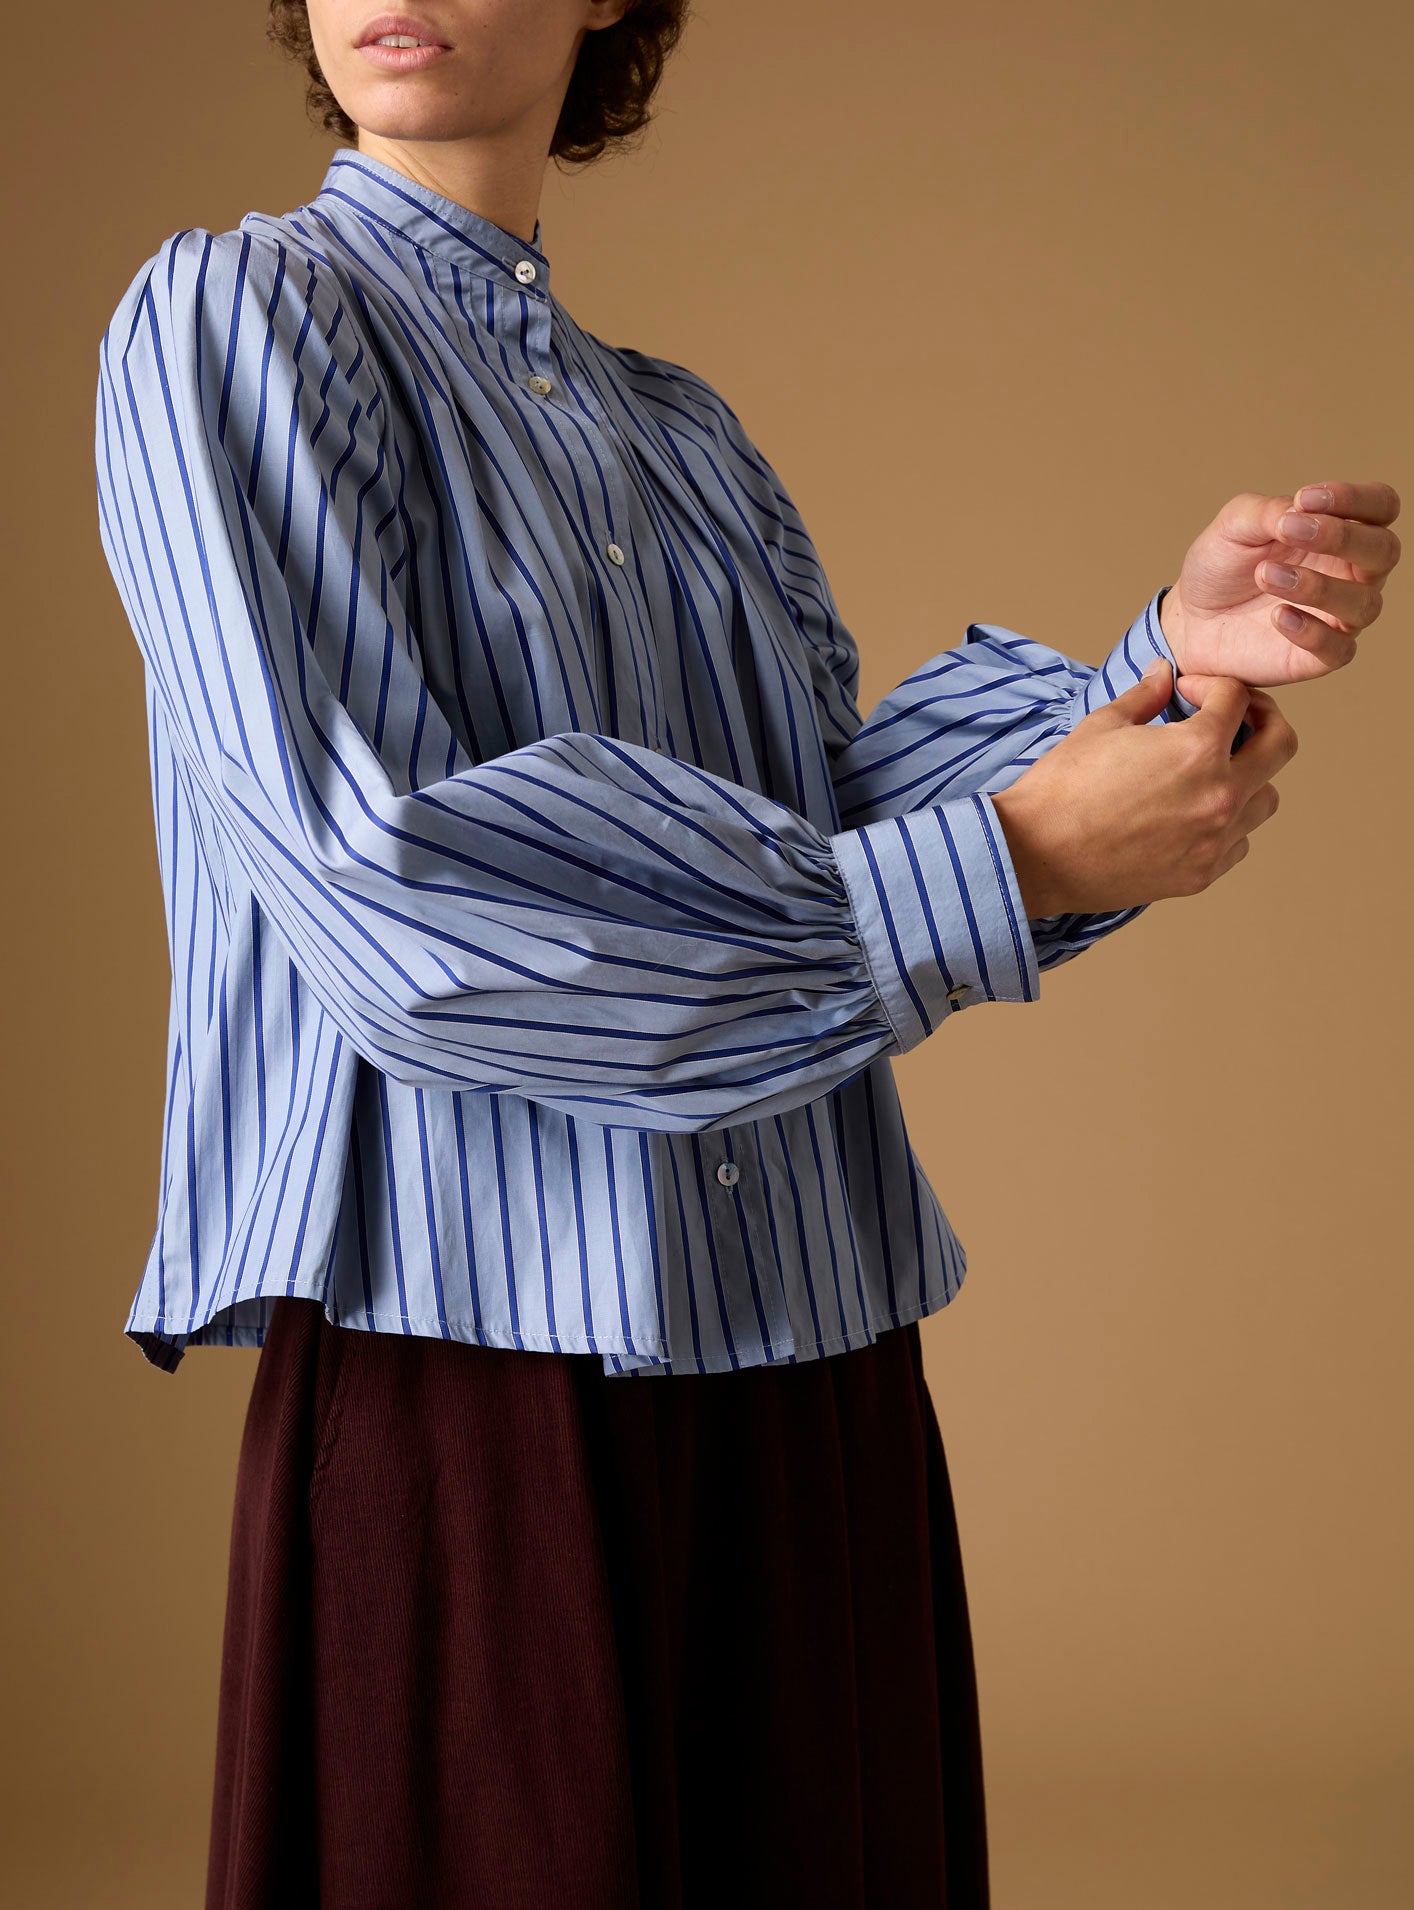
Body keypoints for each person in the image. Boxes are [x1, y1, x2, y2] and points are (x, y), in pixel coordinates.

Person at [92, 3, 1399, 1905]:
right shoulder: (235, 322)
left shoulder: (681, 434)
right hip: (478, 1366)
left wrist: (1166, 669)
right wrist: (1017, 859)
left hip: (810, 1356)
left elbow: (808, 838)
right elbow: (394, 886)